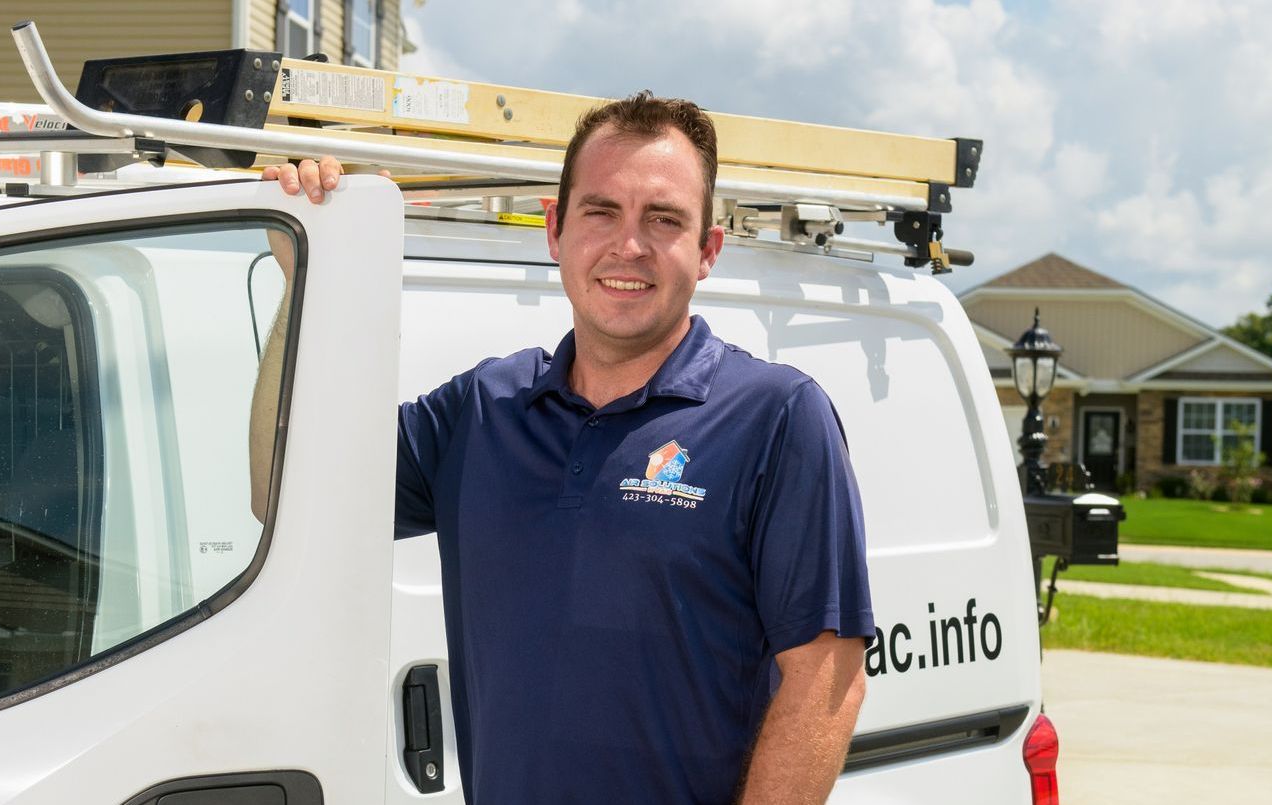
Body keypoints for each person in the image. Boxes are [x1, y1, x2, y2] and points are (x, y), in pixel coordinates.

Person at [253, 92, 873, 805]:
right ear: (554, 229)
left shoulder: (776, 417)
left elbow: (827, 676)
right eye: (600, 211)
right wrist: (306, 276)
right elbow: (280, 488)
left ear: (707, 250)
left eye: (663, 219)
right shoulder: (482, 410)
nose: (628, 245)